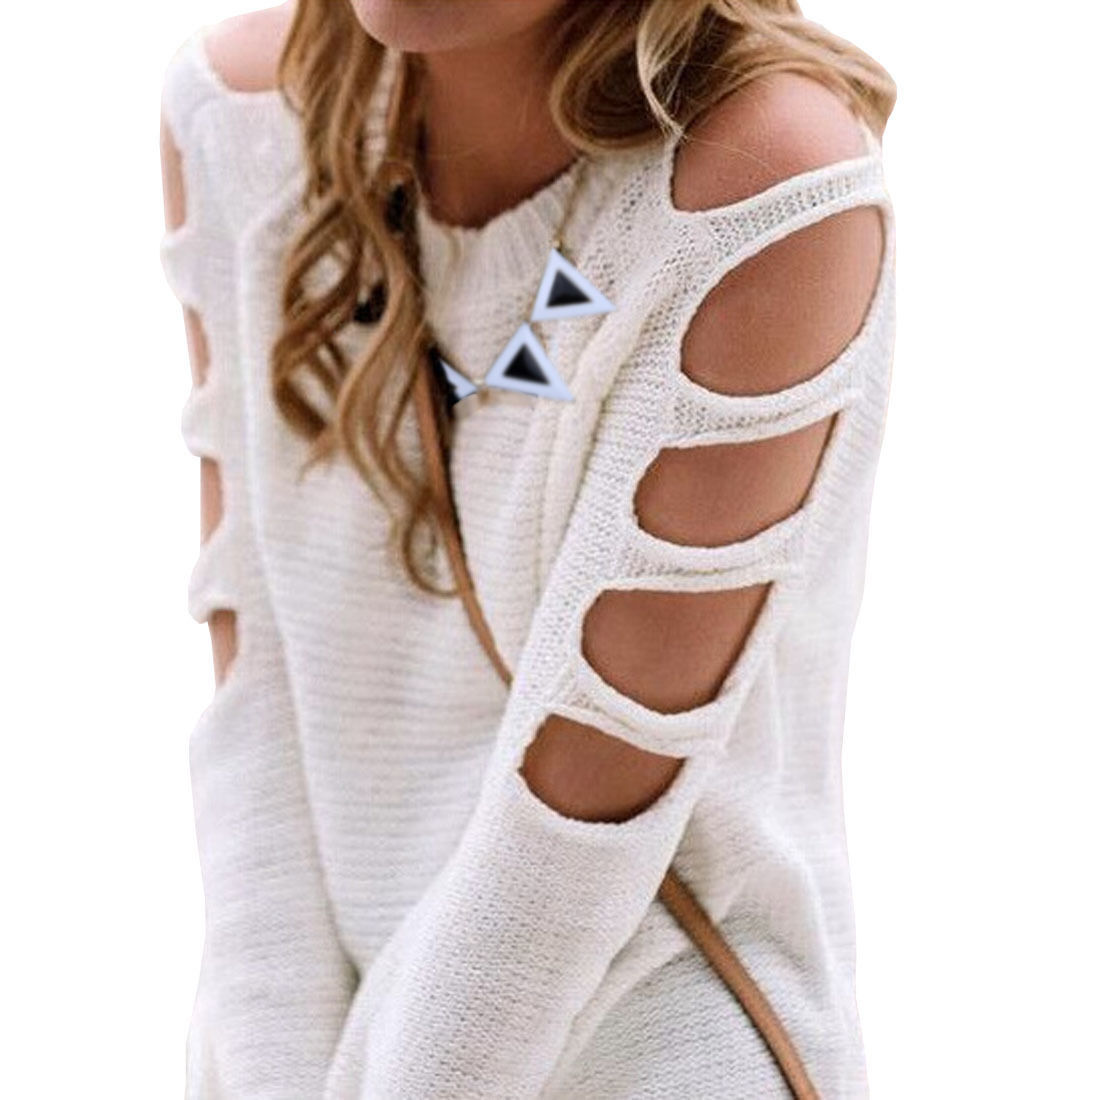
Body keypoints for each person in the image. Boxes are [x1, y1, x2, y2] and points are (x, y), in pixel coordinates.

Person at [158, 1, 896, 1095]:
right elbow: (256, 691)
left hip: (652, 1050)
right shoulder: (235, 118)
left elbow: (567, 843)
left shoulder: (759, 178)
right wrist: (271, 1071)